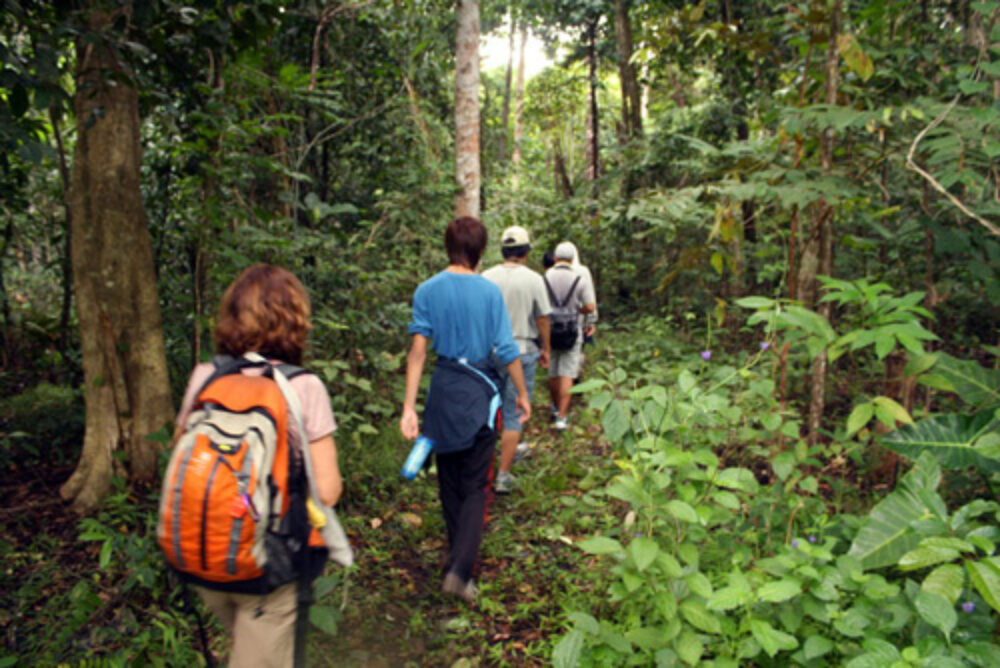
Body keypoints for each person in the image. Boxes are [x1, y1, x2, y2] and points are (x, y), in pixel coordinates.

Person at [173, 264, 345, 667]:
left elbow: (185, 451)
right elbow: (329, 490)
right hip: (267, 564)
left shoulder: (205, 376)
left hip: (203, 550)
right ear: (296, 319)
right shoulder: (304, 386)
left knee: (247, 646)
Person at [400, 216, 531, 603]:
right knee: (476, 486)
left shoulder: (427, 290)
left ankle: (455, 559)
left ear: (448, 246)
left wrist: (409, 406)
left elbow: (418, 351)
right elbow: (506, 350)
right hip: (479, 396)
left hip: (442, 393)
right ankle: (461, 569)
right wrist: (521, 394)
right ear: (480, 250)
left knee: (450, 482)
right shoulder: (489, 293)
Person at [482, 225, 552, 493]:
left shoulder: (486, 277)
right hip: (521, 352)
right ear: (525, 251)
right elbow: (543, 318)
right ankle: (502, 475)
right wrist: (546, 349)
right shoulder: (534, 279)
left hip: (489, 353)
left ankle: (482, 468)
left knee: (487, 411)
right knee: (514, 413)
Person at [545, 241, 597, 431]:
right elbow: (590, 306)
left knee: (552, 371)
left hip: (550, 330)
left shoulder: (545, 277)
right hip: (571, 330)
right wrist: (578, 310)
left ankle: (554, 406)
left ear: (556, 258)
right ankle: (562, 417)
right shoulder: (579, 278)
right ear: (572, 259)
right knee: (567, 372)